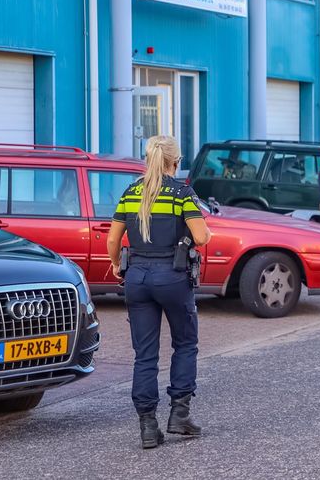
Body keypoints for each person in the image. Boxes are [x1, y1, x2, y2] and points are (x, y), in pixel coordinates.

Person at [106, 135, 211, 449]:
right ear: (175, 162)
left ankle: (148, 426)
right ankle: (179, 414)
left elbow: (113, 240)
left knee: (145, 354)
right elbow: (201, 236)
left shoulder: (131, 192)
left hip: (136, 277)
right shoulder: (181, 193)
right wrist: (203, 230)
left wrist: (115, 264)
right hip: (173, 276)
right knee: (185, 343)